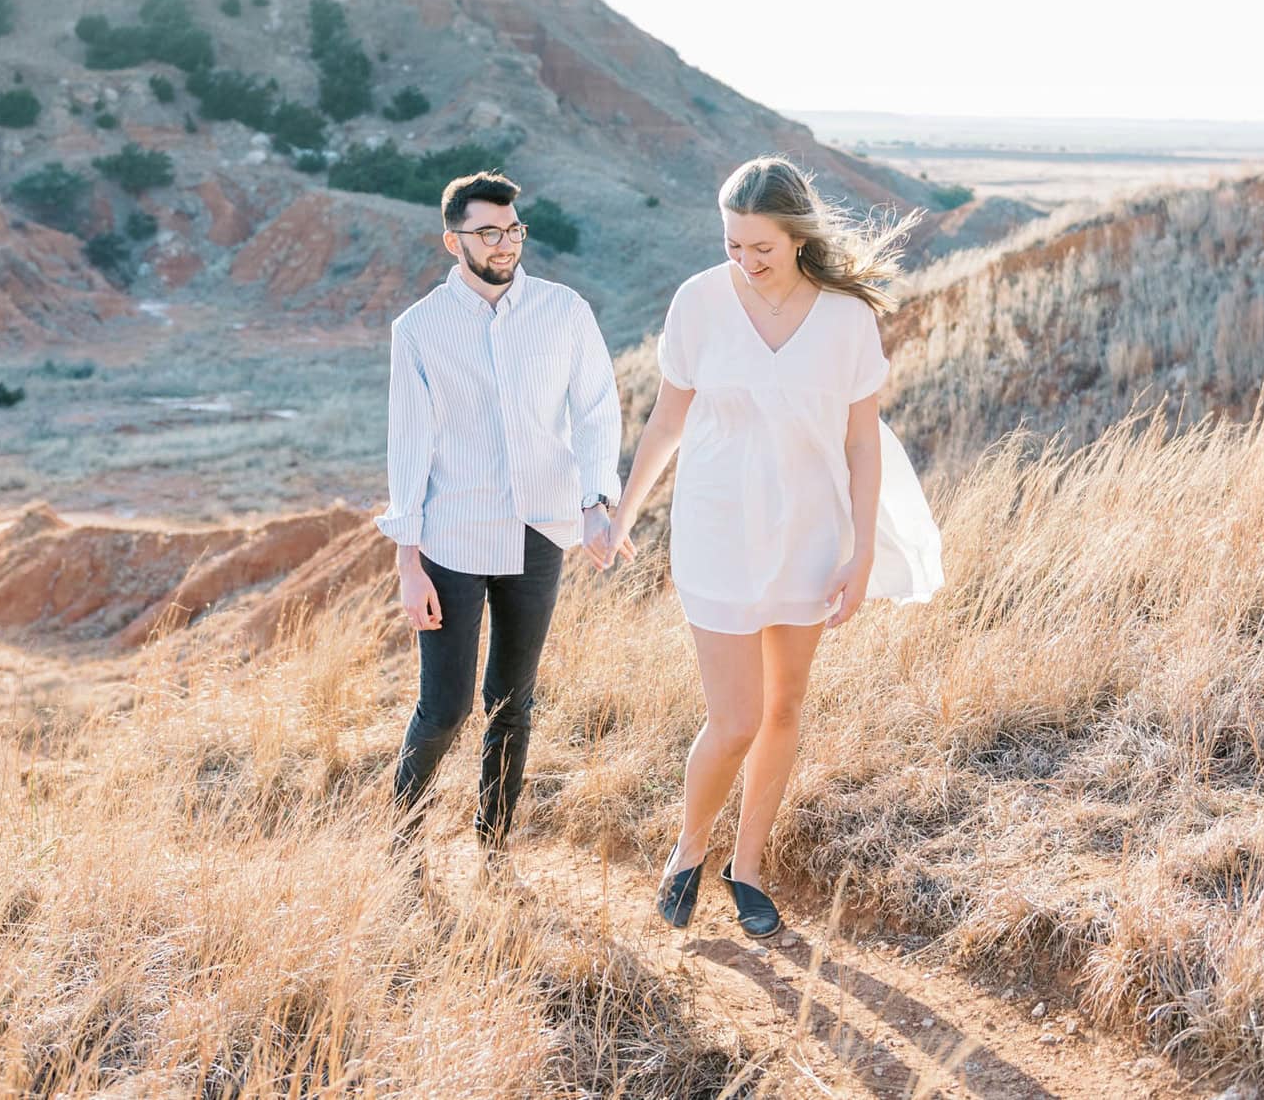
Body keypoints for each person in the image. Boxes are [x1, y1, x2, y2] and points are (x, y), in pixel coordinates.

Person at [610, 155, 943, 937]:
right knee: (734, 718)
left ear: (797, 238)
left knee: (784, 707)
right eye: (732, 245)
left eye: (759, 248)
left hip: (810, 535)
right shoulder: (698, 302)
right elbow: (667, 422)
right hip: (717, 528)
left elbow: (863, 444)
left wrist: (860, 552)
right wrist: (625, 512)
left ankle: (747, 867)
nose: (744, 262)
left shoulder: (846, 317)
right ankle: (688, 850)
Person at [377, 171, 622, 868]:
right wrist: (408, 562)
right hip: (452, 539)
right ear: (452, 240)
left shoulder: (564, 310)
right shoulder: (420, 329)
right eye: (488, 231)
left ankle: (494, 848)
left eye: (513, 229)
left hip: (541, 531)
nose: (505, 243)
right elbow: (409, 447)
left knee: (513, 702)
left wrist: (596, 503)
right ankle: (402, 845)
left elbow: (597, 409)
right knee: (446, 708)